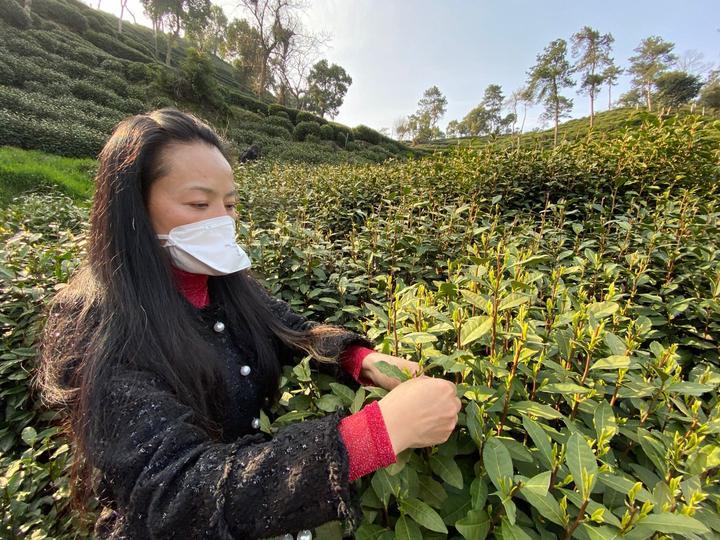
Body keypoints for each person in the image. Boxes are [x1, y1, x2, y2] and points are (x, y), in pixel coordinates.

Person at [34, 108, 462, 539]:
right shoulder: (93, 322)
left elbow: (287, 328)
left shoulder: (220, 283)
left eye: (230, 204)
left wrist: (360, 359)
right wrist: (376, 434)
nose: (223, 220)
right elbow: (178, 491)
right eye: (199, 203)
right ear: (133, 210)